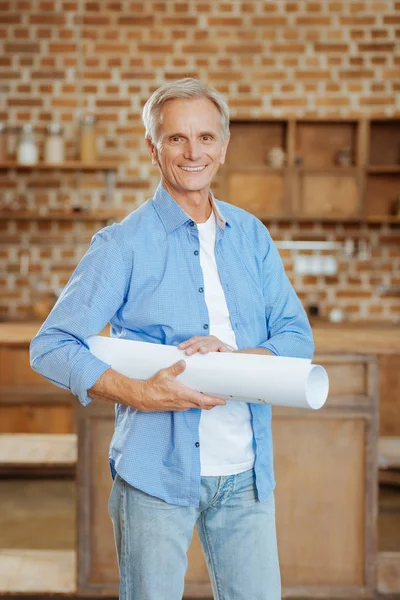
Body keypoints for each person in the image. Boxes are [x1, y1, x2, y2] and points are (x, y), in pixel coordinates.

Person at [30, 78, 314, 600]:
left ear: (223, 147)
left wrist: (238, 359)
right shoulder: (122, 245)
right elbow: (51, 346)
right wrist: (142, 393)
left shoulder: (251, 236)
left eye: (205, 137)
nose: (192, 152)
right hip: (156, 476)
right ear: (153, 148)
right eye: (176, 138)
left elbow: (296, 336)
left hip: (248, 476)